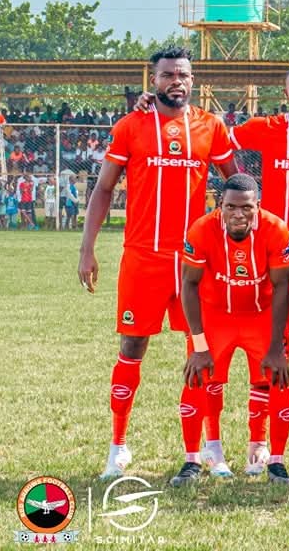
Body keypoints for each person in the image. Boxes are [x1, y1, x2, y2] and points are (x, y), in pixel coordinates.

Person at [138, 64, 289, 474]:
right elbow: (211, 136)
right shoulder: (264, 128)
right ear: (286, 93)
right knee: (269, 353)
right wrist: (155, 107)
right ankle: (259, 443)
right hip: (270, 259)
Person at [78, 46, 236, 479]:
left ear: (193, 79)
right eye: (167, 75)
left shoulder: (211, 126)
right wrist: (87, 248)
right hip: (143, 257)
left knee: (202, 350)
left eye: (183, 74)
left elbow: (238, 185)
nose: (176, 81)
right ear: (154, 80)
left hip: (193, 261)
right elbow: (104, 189)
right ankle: (118, 447)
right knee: (132, 347)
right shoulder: (131, 126)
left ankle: (210, 448)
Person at [172, 173, 289, 486]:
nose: (238, 214)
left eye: (246, 207)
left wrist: (277, 346)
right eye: (231, 207)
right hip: (216, 315)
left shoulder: (277, 230)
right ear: (220, 205)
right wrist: (199, 345)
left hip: (260, 315)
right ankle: (193, 459)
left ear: (258, 206)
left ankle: (276, 461)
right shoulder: (201, 229)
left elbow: (282, 287)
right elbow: (189, 284)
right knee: (197, 376)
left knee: (278, 378)